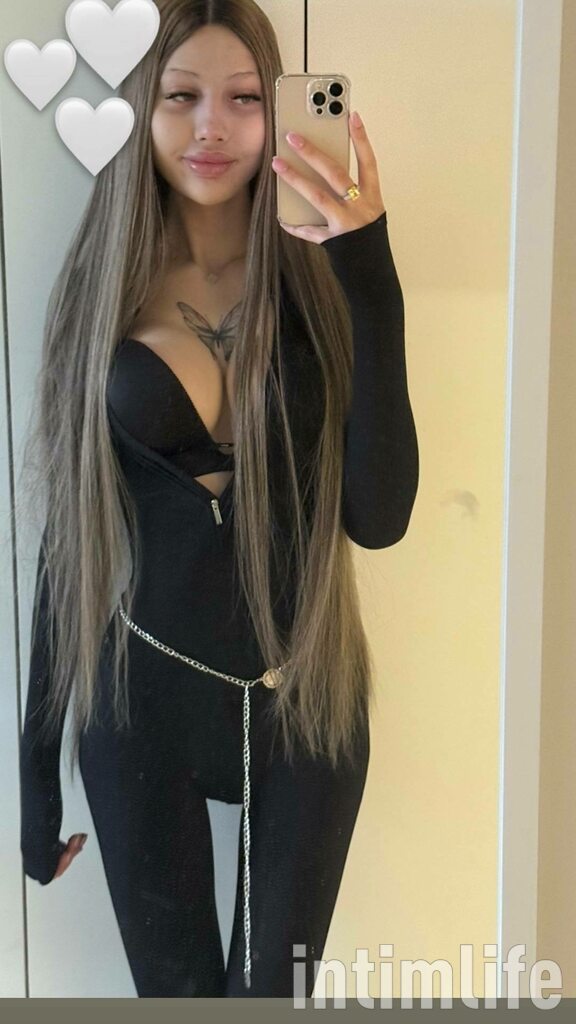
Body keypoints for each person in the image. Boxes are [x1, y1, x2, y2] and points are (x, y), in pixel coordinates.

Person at [18, 0, 419, 999]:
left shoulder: (323, 287)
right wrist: (32, 776)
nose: (212, 127)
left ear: (280, 112)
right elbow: (69, 542)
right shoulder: (103, 290)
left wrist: (370, 275)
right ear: (140, 110)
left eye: (244, 99)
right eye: (180, 96)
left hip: (305, 697)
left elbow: (380, 518)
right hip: (138, 704)